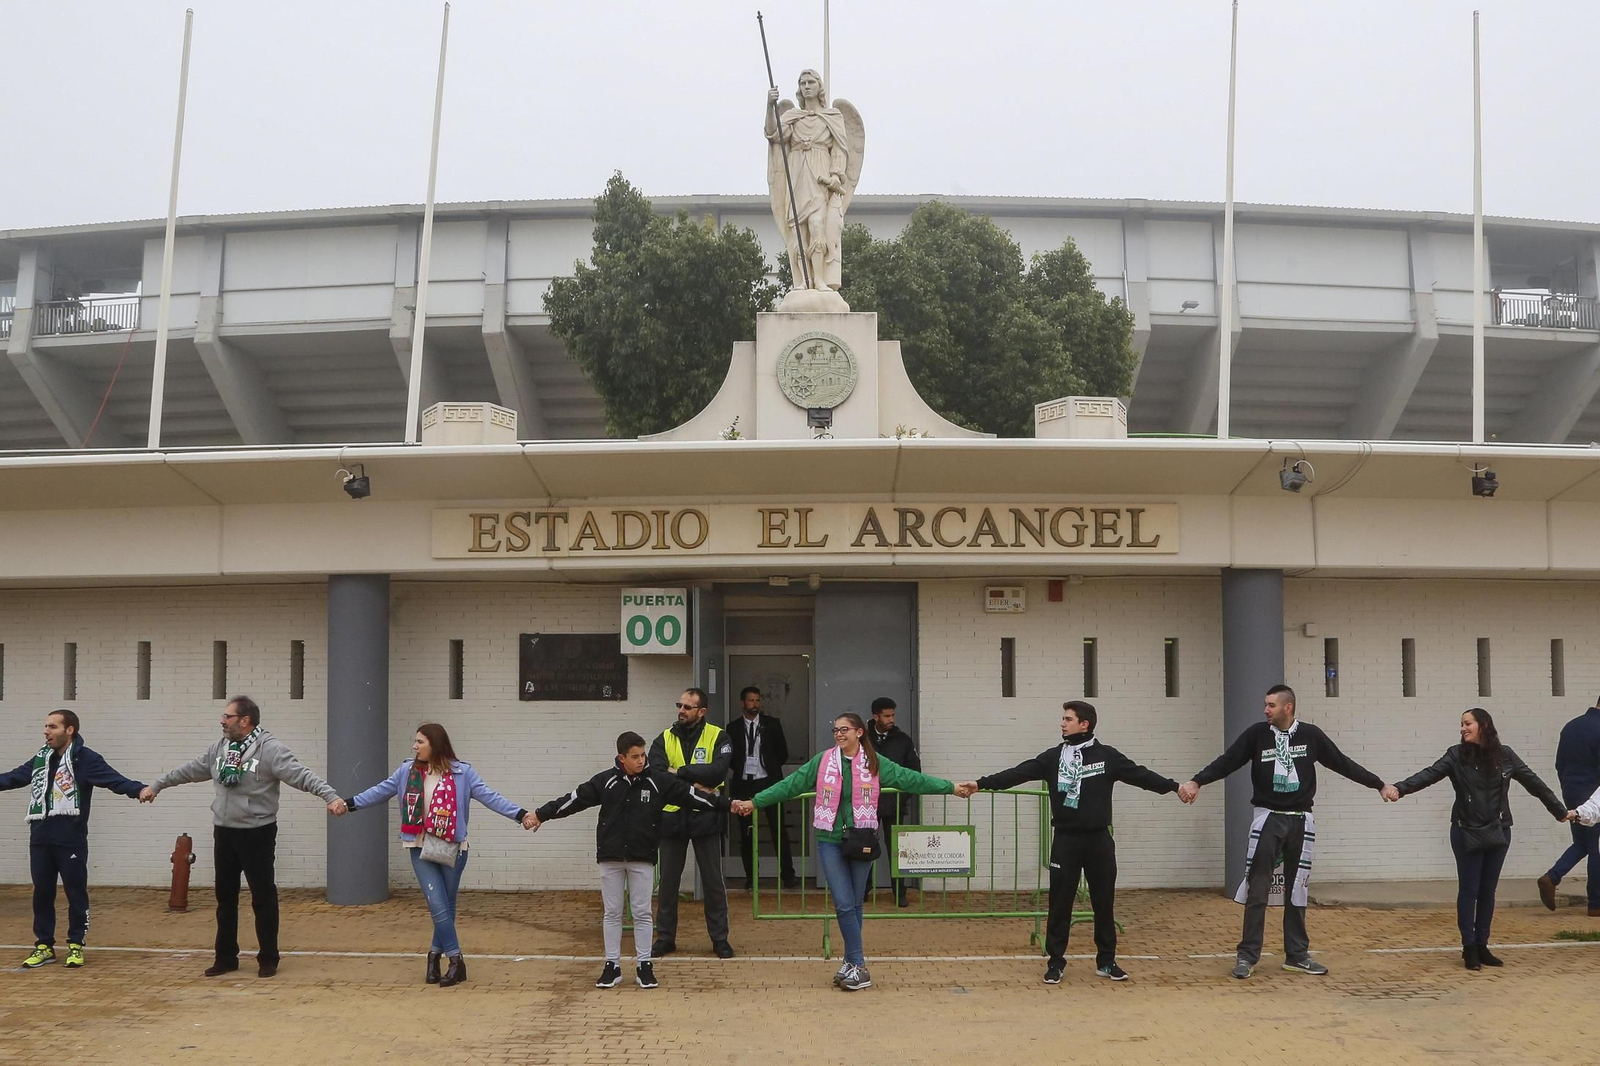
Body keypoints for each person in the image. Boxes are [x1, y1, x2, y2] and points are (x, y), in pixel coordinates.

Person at [1177, 684, 1391, 980]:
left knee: (1298, 888)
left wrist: (1378, 784)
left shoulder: (1310, 735)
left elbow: (1342, 763)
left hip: (1301, 819)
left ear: (1287, 707)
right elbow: (1228, 761)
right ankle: (1247, 955)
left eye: (1271, 705)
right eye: (1265, 705)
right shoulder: (1256, 735)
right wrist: (1197, 782)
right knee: (1258, 887)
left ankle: (1297, 955)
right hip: (1268, 818)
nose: (1266, 710)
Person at [732, 712, 956, 991]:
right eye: (835, 729)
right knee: (843, 902)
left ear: (859, 732)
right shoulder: (823, 760)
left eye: (844, 729)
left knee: (853, 903)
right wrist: (755, 802)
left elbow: (911, 779)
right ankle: (856, 963)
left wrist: (951, 787)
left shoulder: (874, 762)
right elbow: (790, 785)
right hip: (830, 838)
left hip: (862, 838)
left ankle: (854, 964)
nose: (839, 734)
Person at [958, 700, 1178, 983]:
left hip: (1099, 840)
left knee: (1104, 902)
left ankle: (1107, 961)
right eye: (1063, 718)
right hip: (1066, 840)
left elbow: (1141, 775)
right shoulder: (1052, 758)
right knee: (1060, 902)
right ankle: (1056, 962)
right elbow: (1017, 773)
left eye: (1068, 719)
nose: (1062, 723)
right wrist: (980, 783)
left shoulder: (1107, 756)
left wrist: (1174, 787)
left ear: (1084, 724)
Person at [141, 696, 345, 978]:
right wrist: (158, 785)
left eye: (228, 717)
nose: (222, 721)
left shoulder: (270, 749)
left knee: (263, 897)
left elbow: (301, 775)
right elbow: (191, 769)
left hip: (257, 833)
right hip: (224, 831)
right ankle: (225, 957)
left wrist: (330, 796)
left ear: (245, 721)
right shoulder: (220, 749)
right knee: (225, 897)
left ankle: (268, 958)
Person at [531, 731, 732, 990]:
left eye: (643, 755)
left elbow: (692, 796)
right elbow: (573, 800)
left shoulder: (658, 781)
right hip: (611, 856)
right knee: (612, 913)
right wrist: (539, 815)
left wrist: (728, 804)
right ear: (621, 758)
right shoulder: (606, 781)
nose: (641, 761)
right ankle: (612, 965)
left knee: (642, 912)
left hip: (642, 856)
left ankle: (644, 965)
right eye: (635, 757)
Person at [344, 723, 536, 987]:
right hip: (419, 846)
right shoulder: (406, 771)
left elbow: (490, 796)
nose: (415, 746)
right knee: (436, 903)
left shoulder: (462, 773)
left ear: (435, 743)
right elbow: (380, 791)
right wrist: (349, 804)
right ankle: (456, 959)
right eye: (415, 741)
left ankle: (434, 955)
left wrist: (521, 814)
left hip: (453, 848)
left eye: (420, 742)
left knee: (446, 905)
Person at [1385, 707, 1570, 970]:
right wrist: (1399, 789)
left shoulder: (1505, 756)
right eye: (1461, 724)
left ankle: (1482, 945)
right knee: (1469, 889)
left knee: (1487, 890)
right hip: (1465, 830)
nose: (1462, 728)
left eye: (1467, 723)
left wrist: (1560, 811)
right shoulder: (1456, 755)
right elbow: (1428, 774)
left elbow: (1534, 783)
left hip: (1498, 829)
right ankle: (1468, 947)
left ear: (1483, 725)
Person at [0, 710, 146, 970]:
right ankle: (44, 946)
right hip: (41, 837)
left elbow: (114, 780)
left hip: (71, 840)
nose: (46, 731)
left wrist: (139, 790)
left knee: (75, 893)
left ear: (69, 730)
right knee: (42, 894)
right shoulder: (42, 759)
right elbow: (15, 777)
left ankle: (76, 945)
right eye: (45, 726)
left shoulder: (85, 759)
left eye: (52, 726)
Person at [647, 687, 736, 958]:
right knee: (669, 882)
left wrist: (681, 772)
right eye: (680, 705)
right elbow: (658, 775)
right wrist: (696, 781)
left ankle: (720, 939)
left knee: (712, 882)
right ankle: (665, 938)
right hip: (672, 816)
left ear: (702, 711)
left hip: (706, 816)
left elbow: (718, 770)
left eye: (687, 707)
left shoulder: (718, 736)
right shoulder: (664, 738)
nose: (681, 710)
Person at [726, 685, 800, 890]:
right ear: (743, 703)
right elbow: (730, 758)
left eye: (757, 700)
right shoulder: (732, 728)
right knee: (747, 832)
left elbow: (782, 752)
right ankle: (752, 877)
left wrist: (769, 767)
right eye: (751, 700)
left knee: (778, 829)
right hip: (744, 784)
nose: (755, 704)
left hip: (768, 782)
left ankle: (788, 874)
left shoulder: (772, 724)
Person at [1539, 700, 1600, 915]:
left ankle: (1552, 876)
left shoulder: (1571, 726)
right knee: (1596, 849)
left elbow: (1559, 765)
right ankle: (1596, 903)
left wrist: (1569, 786)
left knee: (1582, 843)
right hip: (1594, 795)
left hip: (1571, 791)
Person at [866, 697, 921, 907]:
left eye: (892, 715)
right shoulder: (862, 738)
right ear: (875, 716)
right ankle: (863, 890)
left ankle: (899, 892)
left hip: (894, 804)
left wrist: (902, 796)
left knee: (897, 850)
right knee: (865, 848)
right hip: (866, 805)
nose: (891, 719)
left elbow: (914, 772)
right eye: (886, 716)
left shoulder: (903, 740)